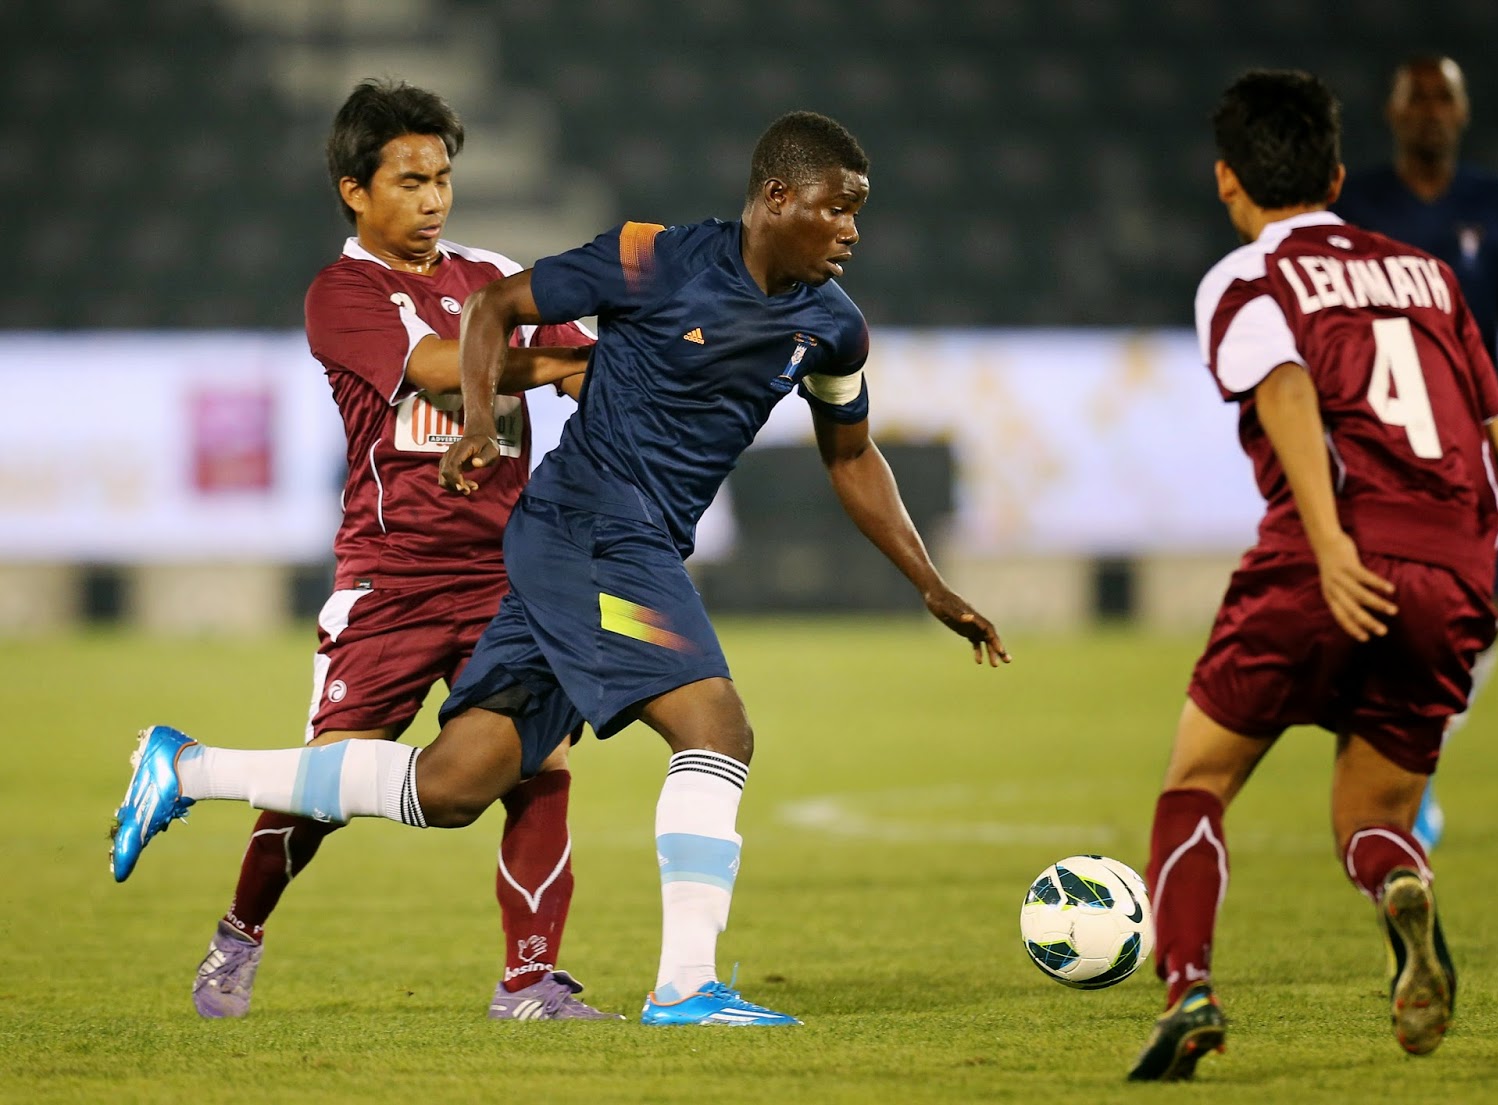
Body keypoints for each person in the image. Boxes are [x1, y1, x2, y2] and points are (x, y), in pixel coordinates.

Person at [112, 110, 1009, 1026]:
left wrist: (931, 583)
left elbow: (850, 454)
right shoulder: (649, 258)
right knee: (716, 726)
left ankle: (188, 769)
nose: (852, 229)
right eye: (838, 208)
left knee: (459, 785)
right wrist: (481, 416)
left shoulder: (834, 327)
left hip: (552, 549)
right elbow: (487, 325)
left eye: (859, 212)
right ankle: (685, 986)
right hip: (571, 532)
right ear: (777, 197)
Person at [180, 79, 619, 1023]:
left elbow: (592, 365)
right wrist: (556, 362)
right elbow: (437, 368)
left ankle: (528, 979)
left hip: (506, 577)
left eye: (442, 179)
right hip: (393, 579)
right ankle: (238, 934)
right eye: (410, 181)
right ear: (355, 190)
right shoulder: (341, 294)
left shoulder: (489, 272)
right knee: (328, 779)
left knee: (537, 764)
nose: (433, 200)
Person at [1125, 70, 1498, 1082]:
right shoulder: (1430, 275)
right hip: (1454, 569)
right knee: (1373, 818)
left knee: (1197, 782)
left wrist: (1334, 545)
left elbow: (1287, 384)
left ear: (1226, 180)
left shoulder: (1247, 277)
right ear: (1338, 177)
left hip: (1327, 554)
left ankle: (1189, 990)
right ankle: (1399, 888)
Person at [1334, 56, 1498, 851]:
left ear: (1462, 112)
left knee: (1485, 611)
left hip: (1472, 439)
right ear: (1392, 113)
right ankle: (1397, 774)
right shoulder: (1355, 206)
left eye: (1441, 97)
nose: (1429, 110)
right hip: (1379, 441)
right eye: (1415, 97)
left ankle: (1420, 754)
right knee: (1381, 611)